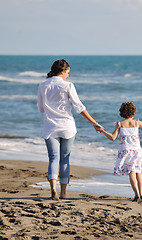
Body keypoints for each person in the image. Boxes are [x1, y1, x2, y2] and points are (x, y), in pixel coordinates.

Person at [37, 59, 103, 201]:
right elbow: (79, 107)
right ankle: (63, 193)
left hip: (50, 126)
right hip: (67, 126)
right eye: (68, 73)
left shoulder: (42, 86)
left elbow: (41, 109)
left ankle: (53, 189)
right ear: (62, 72)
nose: (68, 76)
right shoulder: (68, 86)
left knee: (53, 158)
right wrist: (94, 122)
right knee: (65, 159)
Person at [100, 102, 142, 202]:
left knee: (131, 172)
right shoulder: (137, 123)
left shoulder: (119, 124)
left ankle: (137, 194)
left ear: (121, 113)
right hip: (137, 152)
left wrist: (103, 131)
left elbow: (112, 137)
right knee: (138, 171)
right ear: (133, 113)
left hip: (125, 152)